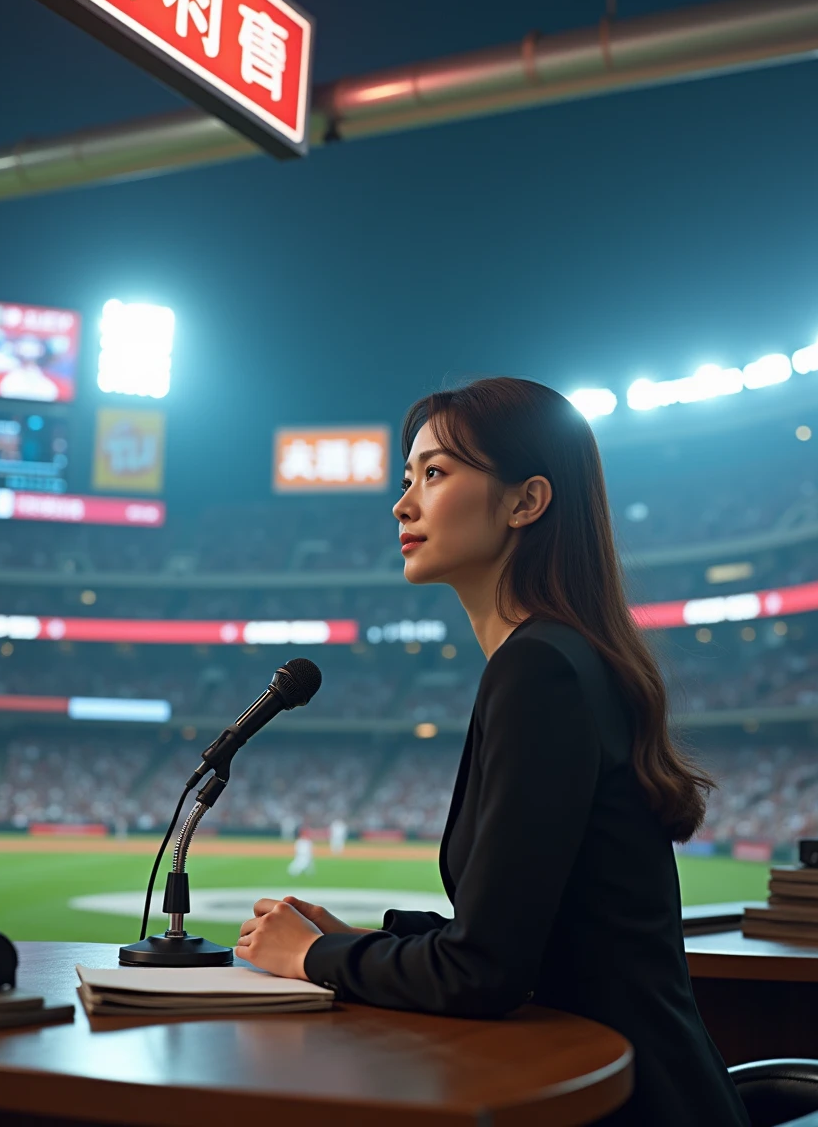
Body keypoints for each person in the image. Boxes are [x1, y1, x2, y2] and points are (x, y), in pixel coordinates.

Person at [236, 378, 750, 1127]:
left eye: (435, 474)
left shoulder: (539, 670)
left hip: (620, 1101)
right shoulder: (560, 657)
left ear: (525, 501)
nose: (402, 503)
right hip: (638, 1080)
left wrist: (310, 959)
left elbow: (484, 972)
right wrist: (361, 942)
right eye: (407, 478)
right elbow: (530, 938)